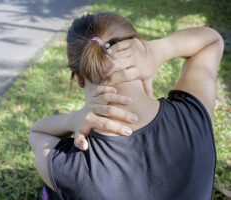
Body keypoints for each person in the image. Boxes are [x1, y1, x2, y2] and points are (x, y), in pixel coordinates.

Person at [29, 12, 224, 200]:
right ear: (139, 49)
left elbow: (37, 133)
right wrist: (157, 51)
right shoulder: (192, 115)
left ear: (80, 79)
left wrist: (72, 119)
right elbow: (212, 41)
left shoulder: (68, 168)